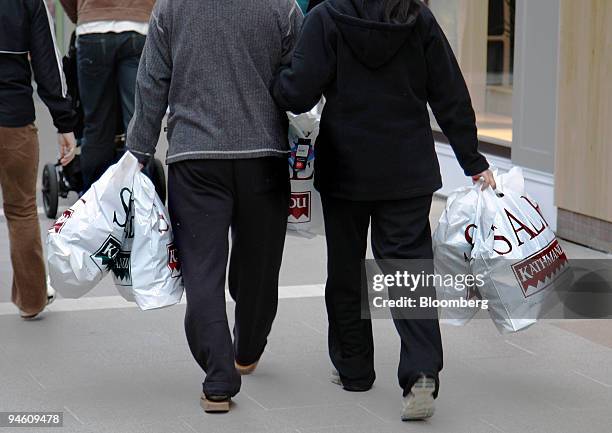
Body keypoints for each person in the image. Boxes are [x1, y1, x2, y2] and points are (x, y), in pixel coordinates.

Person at [272, 0, 495, 421]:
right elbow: (449, 90)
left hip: (346, 169)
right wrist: (472, 159)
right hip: (407, 169)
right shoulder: (417, 17)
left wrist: (277, 81)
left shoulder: (327, 17)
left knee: (345, 270)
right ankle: (421, 372)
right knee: (408, 271)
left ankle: (354, 370)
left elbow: (297, 91)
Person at [126, 0, 303, 413]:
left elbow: (152, 80)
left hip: (194, 157)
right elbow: (300, 79)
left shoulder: (171, 8)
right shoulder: (282, 8)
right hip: (264, 154)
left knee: (202, 269)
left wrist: (139, 148)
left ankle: (219, 377)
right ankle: (248, 347)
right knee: (259, 265)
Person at [0, 0, 77, 319]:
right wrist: (65, 122)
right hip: (13, 119)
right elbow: (47, 61)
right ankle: (32, 300)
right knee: (21, 210)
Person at [59, 0, 154, 191]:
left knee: (96, 124)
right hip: (138, 26)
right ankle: (139, 198)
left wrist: (82, 14)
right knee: (136, 123)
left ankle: (93, 199)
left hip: (93, 27)